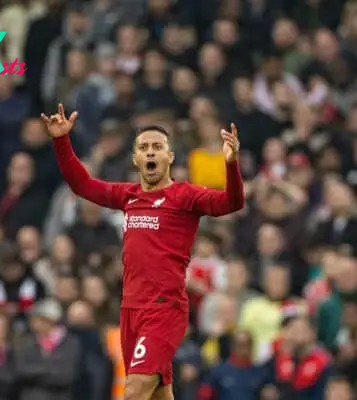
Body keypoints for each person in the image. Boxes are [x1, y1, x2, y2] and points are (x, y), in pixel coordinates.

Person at [42, 104, 244, 400]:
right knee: (159, 394)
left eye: (157, 147)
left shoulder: (185, 196)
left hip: (164, 308)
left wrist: (231, 164)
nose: (150, 152)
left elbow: (232, 203)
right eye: (144, 147)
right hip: (130, 309)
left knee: (135, 390)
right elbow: (82, 184)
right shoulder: (129, 196)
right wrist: (61, 141)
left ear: (170, 157)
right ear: (136, 159)